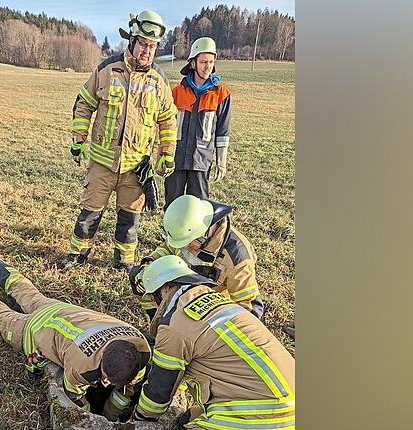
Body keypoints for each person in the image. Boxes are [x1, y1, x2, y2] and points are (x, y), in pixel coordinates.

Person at [132, 256, 295, 430]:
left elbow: (158, 394)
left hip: (265, 425)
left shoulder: (175, 324)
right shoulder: (221, 302)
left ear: (164, 289)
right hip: (290, 414)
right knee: (191, 422)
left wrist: (139, 416)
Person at [57, 10, 178, 272]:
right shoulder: (107, 69)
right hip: (102, 163)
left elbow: (168, 120)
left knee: (129, 218)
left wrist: (167, 153)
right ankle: (78, 255)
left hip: (136, 167)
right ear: (132, 41)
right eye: (143, 44)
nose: (147, 51)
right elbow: (84, 104)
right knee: (89, 212)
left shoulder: (159, 81)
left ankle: (123, 261)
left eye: (152, 46)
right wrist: (78, 139)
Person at [0, 257, 149, 421]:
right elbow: (77, 400)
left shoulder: (141, 347)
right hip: (37, 330)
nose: (106, 383)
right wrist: (95, 420)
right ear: (102, 355)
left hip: (63, 310)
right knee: (0, 317)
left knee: (26, 292)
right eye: (106, 377)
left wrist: (111, 414)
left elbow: (128, 390)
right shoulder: (82, 368)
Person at [129, 194, 264, 320]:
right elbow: (167, 248)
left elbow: (249, 307)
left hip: (208, 307)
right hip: (181, 287)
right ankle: (158, 325)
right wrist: (150, 264)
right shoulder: (188, 228)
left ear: (204, 232)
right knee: (139, 276)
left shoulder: (238, 257)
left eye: (188, 243)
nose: (185, 247)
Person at [165, 37, 232, 208]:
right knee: (172, 206)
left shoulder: (221, 94)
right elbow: (165, 126)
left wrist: (221, 162)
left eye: (210, 62)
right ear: (193, 63)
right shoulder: (176, 93)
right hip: (176, 160)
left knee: (198, 209)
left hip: (201, 161)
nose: (207, 66)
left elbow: (223, 132)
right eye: (203, 62)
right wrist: (163, 154)